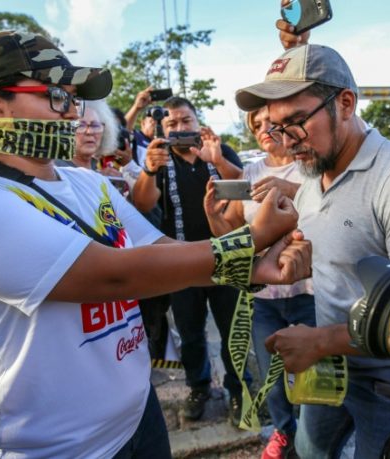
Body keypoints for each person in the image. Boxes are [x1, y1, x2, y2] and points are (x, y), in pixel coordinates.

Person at [0, 30, 310, 458]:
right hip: (51, 447)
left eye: (74, 99)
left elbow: (159, 248)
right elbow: (113, 275)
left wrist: (254, 264)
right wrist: (251, 241)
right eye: (56, 96)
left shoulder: (88, 182)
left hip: (138, 419)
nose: (71, 114)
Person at [235, 43, 390, 458]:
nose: (285, 143)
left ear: (345, 103)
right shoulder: (314, 172)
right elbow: (345, 258)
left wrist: (323, 340)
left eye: (296, 123)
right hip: (329, 370)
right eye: (274, 128)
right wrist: (300, 265)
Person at [204, 106, 316, 458]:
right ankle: (284, 434)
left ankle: (315, 438)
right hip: (264, 295)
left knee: (317, 371)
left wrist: (291, 187)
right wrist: (212, 214)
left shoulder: (310, 166)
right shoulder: (249, 174)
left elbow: (333, 206)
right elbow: (234, 235)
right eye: (256, 125)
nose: (264, 129)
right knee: (272, 372)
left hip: (310, 291)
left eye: (271, 122)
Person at [132, 96, 248, 426]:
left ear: (198, 123)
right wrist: (149, 168)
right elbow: (142, 204)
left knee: (233, 332)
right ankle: (198, 387)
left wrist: (218, 160)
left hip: (225, 259)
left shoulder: (220, 153)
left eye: (186, 121)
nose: (180, 128)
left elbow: (246, 194)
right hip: (180, 266)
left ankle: (240, 389)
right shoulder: (159, 159)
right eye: (172, 124)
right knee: (191, 334)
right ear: (162, 129)